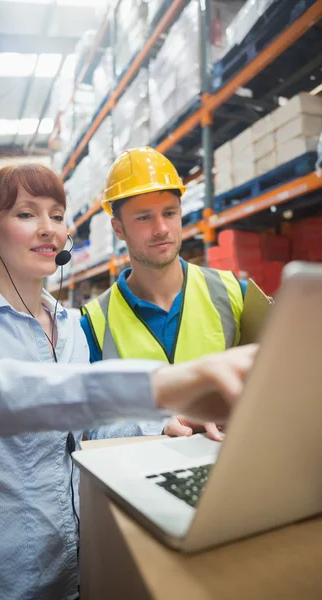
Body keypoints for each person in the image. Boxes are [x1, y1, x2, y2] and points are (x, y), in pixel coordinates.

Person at [0, 163, 257, 600]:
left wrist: (165, 421)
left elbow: (94, 430)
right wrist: (158, 385)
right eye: (26, 214)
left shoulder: (69, 324)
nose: (48, 229)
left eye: (57, 216)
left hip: (71, 572)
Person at [81, 147, 250, 441]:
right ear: (118, 229)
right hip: (138, 479)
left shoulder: (234, 292)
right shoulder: (93, 323)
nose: (161, 229)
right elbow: (90, 425)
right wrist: (155, 426)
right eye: (144, 218)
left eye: (169, 213)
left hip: (229, 464)